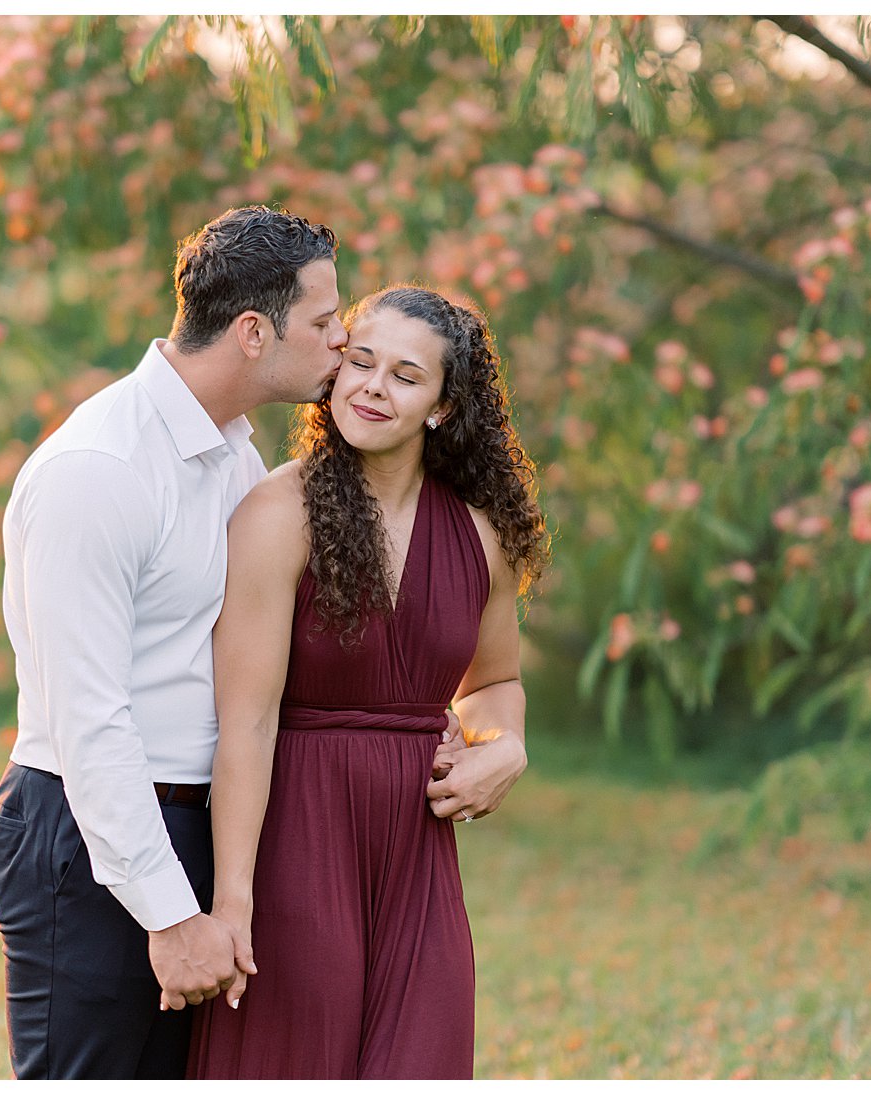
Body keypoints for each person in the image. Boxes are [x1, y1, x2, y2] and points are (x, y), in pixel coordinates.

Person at [0, 205, 347, 1080]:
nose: (343, 341)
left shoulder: (235, 459)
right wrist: (167, 913)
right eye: (327, 322)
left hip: (195, 829)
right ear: (255, 332)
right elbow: (90, 718)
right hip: (90, 836)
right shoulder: (99, 472)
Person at [188, 285, 550, 1079]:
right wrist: (235, 898)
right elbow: (244, 723)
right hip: (299, 840)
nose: (372, 387)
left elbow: (494, 682)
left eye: (405, 375)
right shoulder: (278, 513)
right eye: (360, 360)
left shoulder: (478, 534)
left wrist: (504, 744)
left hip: (419, 857)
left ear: (444, 408)